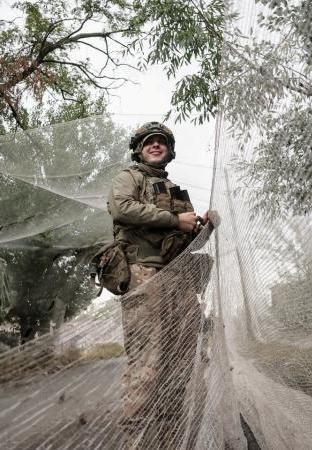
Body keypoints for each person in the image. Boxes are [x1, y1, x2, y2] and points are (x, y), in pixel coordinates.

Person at [106, 122, 209, 448]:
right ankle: (134, 443)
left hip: (179, 282)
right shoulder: (130, 177)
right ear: (138, 148)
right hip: (144, 278)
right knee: (146, 368)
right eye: (149, 141)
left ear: (169, 150)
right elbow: (121, 208)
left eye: (161, 141)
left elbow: (185, 245)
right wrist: (175, 220)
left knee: (178, 369)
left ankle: (168, 442)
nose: (155, 144)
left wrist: (204, 230)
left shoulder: (175, 190)